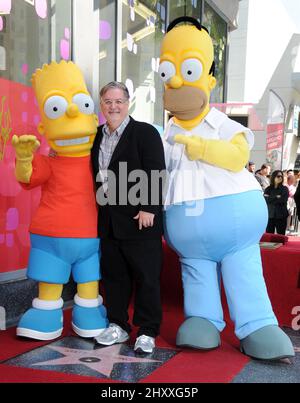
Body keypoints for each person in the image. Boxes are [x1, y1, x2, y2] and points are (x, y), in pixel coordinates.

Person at [159, 16, 294, 360]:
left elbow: (237, 155)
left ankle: (257, 324)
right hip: (188, 226)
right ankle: (203, 319)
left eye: (187, 70)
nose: (175, 80)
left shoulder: (218, 121)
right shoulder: (165, 134)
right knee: (197, 272)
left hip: (233, 219)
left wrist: (201, 147)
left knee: (242, 268)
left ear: (209, 79)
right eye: (167, 72)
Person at [91, 82, 165, 354]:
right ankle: (118, 325)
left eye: (118, 101)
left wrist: (149, 208)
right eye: (108, 102)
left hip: (140, 219)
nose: (113, 106)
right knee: (114, 277)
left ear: (128, 103)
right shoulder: (96, 136)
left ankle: (147, 331)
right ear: (102, 105)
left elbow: (156, 171)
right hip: (109, 220)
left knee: (147, 277)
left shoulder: (145, 133)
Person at [264, 170, 289, 235]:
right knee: (269, 236)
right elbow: (266, 200)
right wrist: (276, 197)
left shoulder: (285, 189)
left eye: (281, 176)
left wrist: (270, 197)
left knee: (281, 237)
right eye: (278, 176)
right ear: (274, 177)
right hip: (270, 215)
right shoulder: (268, 189)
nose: (280, 177)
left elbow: (283, 200)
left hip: (281, 215)